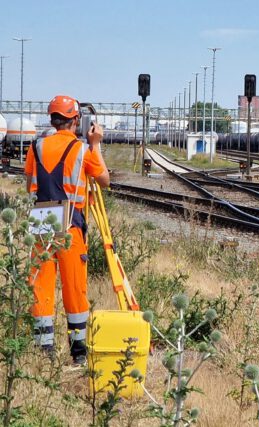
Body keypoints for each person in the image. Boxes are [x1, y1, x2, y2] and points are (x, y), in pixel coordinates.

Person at [25, 95, 109, 365]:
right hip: (71, 223)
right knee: (74, 285)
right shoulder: (83, 150)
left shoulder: (36, 147)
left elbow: (30, 186)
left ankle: (44, 351)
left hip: (41, 221)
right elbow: (104, 180)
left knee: (40, 284)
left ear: (52, 119)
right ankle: (78, 352)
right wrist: (96, 145)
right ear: (75, 121)